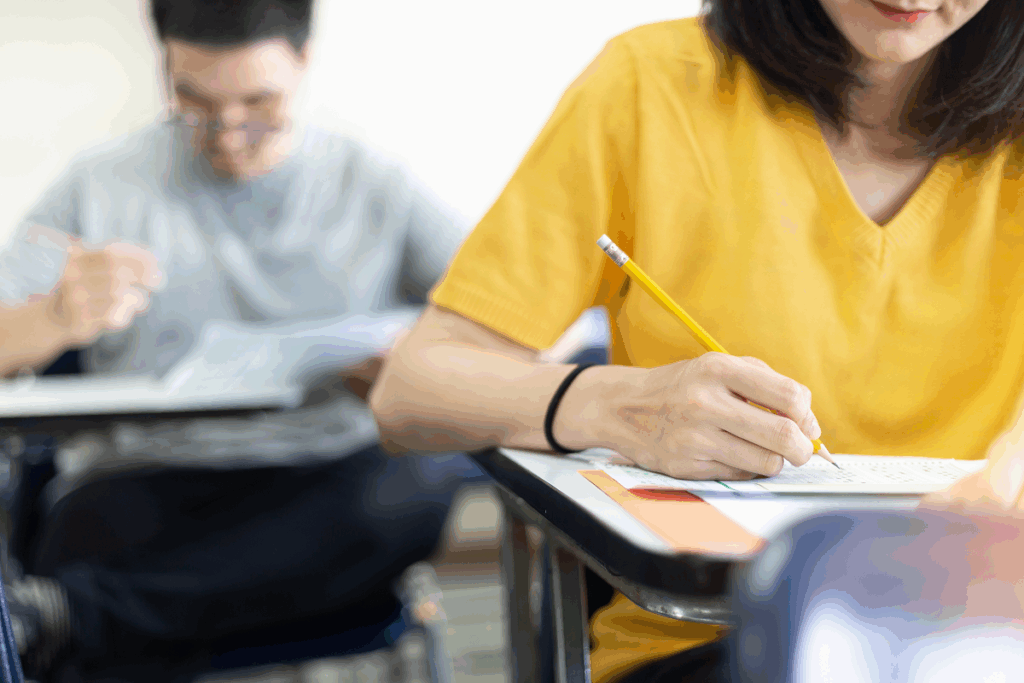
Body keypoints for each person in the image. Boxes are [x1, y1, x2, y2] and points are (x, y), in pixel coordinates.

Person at [369, 0, 1024, 679]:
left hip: (981, 633)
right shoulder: (652, 85)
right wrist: (621, 405)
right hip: (709, 644)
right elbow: (411, 389)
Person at [0, 0, 483, 680]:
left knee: (419, 480)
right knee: (91, 531)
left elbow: (510, 323)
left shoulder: (373, 182)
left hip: (322, 480)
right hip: (148, 481)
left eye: (259, 102)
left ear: (304, 62)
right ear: (164, 61)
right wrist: (50, 318)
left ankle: (64, 616)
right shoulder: (102, 181)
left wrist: (417, 362)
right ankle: (90, 614)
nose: (228, 134)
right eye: (194, 100)